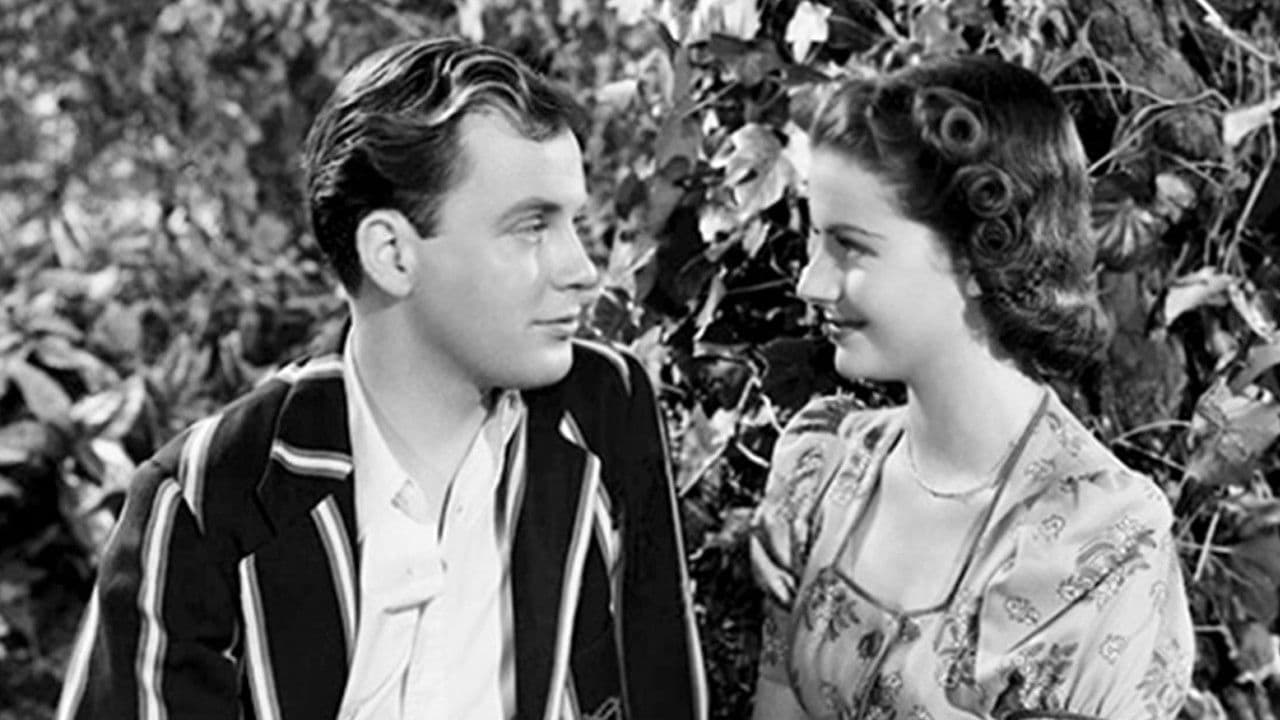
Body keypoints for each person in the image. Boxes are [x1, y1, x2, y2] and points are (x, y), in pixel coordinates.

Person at [56, 37, 706, 720]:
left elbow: (661, 690)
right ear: (392, 254)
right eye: (531, 227)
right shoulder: (207, 498)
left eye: (574, 222)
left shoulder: (604, 411)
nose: (581, 269)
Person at [749, 56, 1193, 719]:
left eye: (850, 247)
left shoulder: (1101, 545)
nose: (811, 283)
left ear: (980, 253)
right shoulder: (823, 474)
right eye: (816, 241)